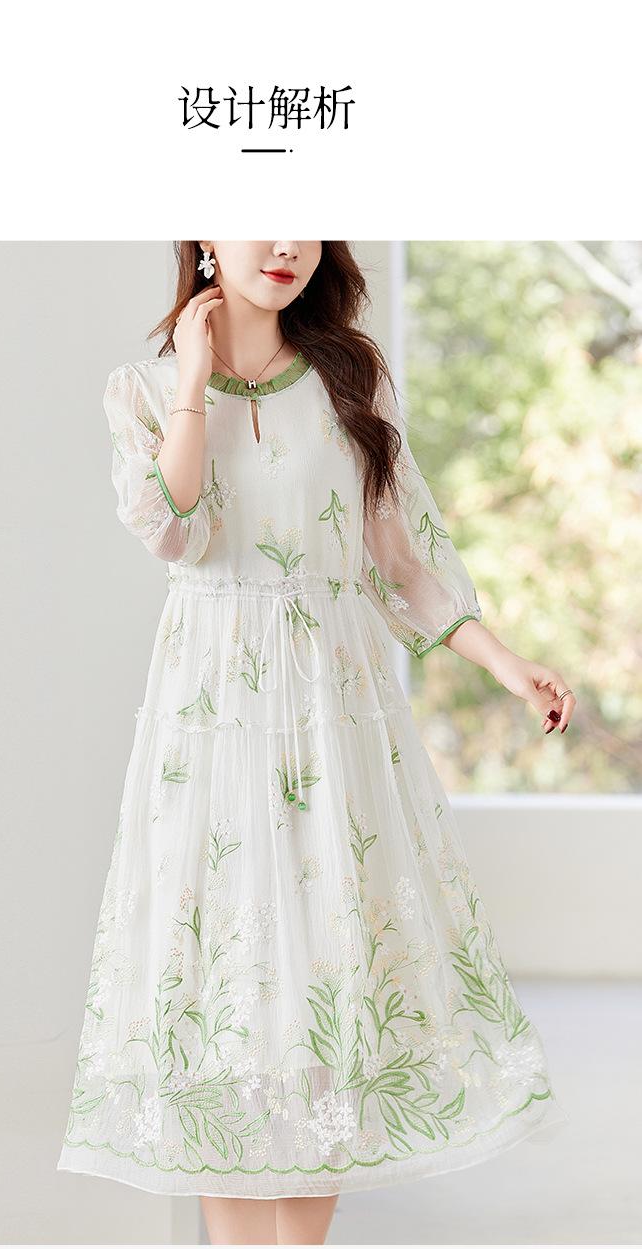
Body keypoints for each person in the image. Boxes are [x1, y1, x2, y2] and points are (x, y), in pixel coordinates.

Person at [57, 241, 572, 1246]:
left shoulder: (348, 378)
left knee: (329, 989)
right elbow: (172, 528)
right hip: (211, 729)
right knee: (228, 994)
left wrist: (507, 663)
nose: (287, 243)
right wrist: (195, 379)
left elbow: (402, 560)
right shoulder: (143, 391)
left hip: (334, 727)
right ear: (205, 236)